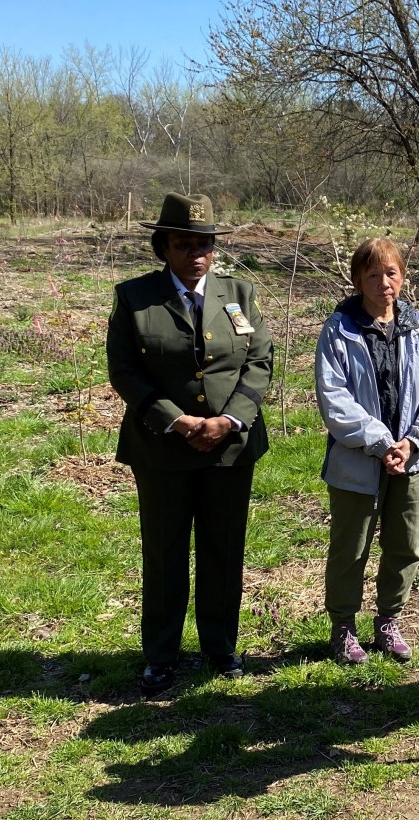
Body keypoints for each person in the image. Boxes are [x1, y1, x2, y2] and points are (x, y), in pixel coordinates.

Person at [106, 192, 273, 695]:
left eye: (204, 244)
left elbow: (259, 361)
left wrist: (231, 421)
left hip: (230, 448)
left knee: (224, 549)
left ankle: (220, 647)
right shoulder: (135, 298)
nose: (195, 254)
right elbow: (125, 372)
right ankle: (161, 655)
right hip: (162, 449)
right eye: (184, 244)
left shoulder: (239, 293)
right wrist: (178, 422)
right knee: (165, 553)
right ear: (164, 247)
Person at [315, 238, 419, 664]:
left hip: (414, 459)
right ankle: (343, 626)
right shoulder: (339, 330)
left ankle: (389, 620)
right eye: (372, 274)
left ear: (402, 277)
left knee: (405, 544)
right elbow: (333, 399)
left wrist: (412, 442)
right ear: (357, 280)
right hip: (357, 460)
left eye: (391, 273)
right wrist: (381, 441)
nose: (383, 282)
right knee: (351, 548)